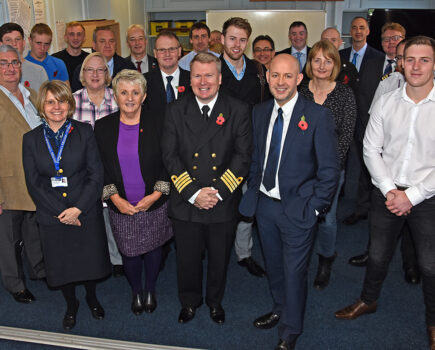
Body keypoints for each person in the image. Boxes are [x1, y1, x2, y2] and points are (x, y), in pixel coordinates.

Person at [334, 36, 435, 350]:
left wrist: (412, 195)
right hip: (386, 192)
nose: (416, 66)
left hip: (427, 197)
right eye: (410, 59)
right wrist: (391, 191)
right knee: (377, 254)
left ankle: (433, 320)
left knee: (430, 264)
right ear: (401, 63)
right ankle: (368, 300)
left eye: (425, 60)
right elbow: (370, 148)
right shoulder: (386, 100)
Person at [239, 53, 339, 350]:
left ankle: (290, 330)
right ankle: (280, 307)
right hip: (266, 206)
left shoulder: (318, 116)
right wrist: (255, 191)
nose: (280, 82)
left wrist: (315, 208)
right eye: (275, 75)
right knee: (274, 265)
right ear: (267, 78)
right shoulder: (259, 112)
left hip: (300, 209)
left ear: (299, 79)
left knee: (294, 271)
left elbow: (330, 171)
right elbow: (257, 158)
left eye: (287, 76)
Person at [162, 53, 252, 325]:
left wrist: (216, 194)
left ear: (220, 78)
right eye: (197, 76)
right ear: (190, 80)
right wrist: (193, 194)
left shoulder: (237, 109)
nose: (203, 82)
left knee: (219, 258)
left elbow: (242, 156)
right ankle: (189, 302)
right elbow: (170, 156)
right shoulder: (175, 110)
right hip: (186, 200)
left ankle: (215, 301)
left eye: (209, 75)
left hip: (221, 201)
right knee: (187, 259)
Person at [22, 80, 111, 330]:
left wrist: (78, 208)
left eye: (61, 100)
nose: (56, 106)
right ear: (42, 106)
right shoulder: (30, 140)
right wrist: (62, 212)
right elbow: (34, 183)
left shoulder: (84, 132)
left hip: (85, 210)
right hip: (53, 215)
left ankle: (92, 299)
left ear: (69, 104)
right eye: (50, 101)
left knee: (89, 260)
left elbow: (96, 175)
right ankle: (71, 304)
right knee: (62, 265)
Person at [94, 69, 173, 315]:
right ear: (115, 96)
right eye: (124, 92)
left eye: (135, 92)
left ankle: (150, 289)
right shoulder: (103, 126)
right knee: (129, 252)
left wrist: (156, 195)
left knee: (152, 249)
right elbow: (101, 168)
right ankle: (136, 290)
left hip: (154, 201)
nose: (130, 98)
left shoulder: (160, 123)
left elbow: (168, 163)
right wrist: (115, 198)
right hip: (121, 204)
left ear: (144, 96)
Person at [298, 40, 356, 290]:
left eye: (328, 60)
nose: (322, 65)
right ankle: (299, 258)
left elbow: (345, 138)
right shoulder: (299, 92)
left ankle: (326, 258)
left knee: (327, 218)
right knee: (299, 215)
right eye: (317, 59)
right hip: (299, 169)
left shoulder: (344, 94)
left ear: (335, 64)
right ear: (310, 63)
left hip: (330, 171)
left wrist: (327, 170)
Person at [220, 17, 269, 278]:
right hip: (219, 151)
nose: (237, 44)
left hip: (251, 150)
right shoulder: (211, 69)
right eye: (232, 38)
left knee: (248, 203)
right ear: (222, 39)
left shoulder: (259, 70)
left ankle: (244, 252)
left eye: (242, 39)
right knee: (221, 202)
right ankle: (217, 250)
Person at [0, 44, 45, 304]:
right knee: (8, 239)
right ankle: (14, 284)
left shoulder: (32, 95)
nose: (10, 68)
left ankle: (38, 270)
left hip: (35, 179)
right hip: (8, 183)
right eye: (4, 63)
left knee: (33, 230)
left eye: (14, 62)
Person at [72, 52, 123, 277]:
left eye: (100, 70)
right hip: (83, 172)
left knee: (114, 215)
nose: (95, 74)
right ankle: (94, 261)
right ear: (83, 74)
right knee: (90, 217)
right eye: (89, 70)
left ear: (107, 74)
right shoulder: (70, 102)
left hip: (115, 168)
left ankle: (117, 260)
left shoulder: (119, 98)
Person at [340, 17, 385, 234]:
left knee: (364, 164)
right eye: (354, 27)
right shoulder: (341, 56)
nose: (358, 31)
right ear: (350, 31)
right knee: (339, 159)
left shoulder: (379, 57)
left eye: (362, 27)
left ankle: (361, 208)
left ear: (367, 31)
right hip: (341, 117)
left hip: (367, 118)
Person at [144, 30, 190, 125]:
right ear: (155, 53)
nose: (167, 54)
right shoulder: (144, 82)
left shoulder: (193, 80)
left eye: (172, 49)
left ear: (179, 51)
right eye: (162, 50)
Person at [71, 26, 135, 92]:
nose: (107, 45)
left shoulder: (128, 67)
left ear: (115, 44)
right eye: (102, 41)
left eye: (111, 41)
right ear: (94, 45)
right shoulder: (82, 70)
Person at [0, 23, 48, 91]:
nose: (14, 43)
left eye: (17, 39)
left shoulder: (39, 71)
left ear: (23, 43)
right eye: (8, 40)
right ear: (1, 44)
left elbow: (45, 99)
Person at [321, 27, 358, 94]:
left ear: (340, 42)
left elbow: (354, 95)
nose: (329, 43)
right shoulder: (312, 66)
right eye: (325, 40)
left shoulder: (349, 69)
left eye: (333, 40)